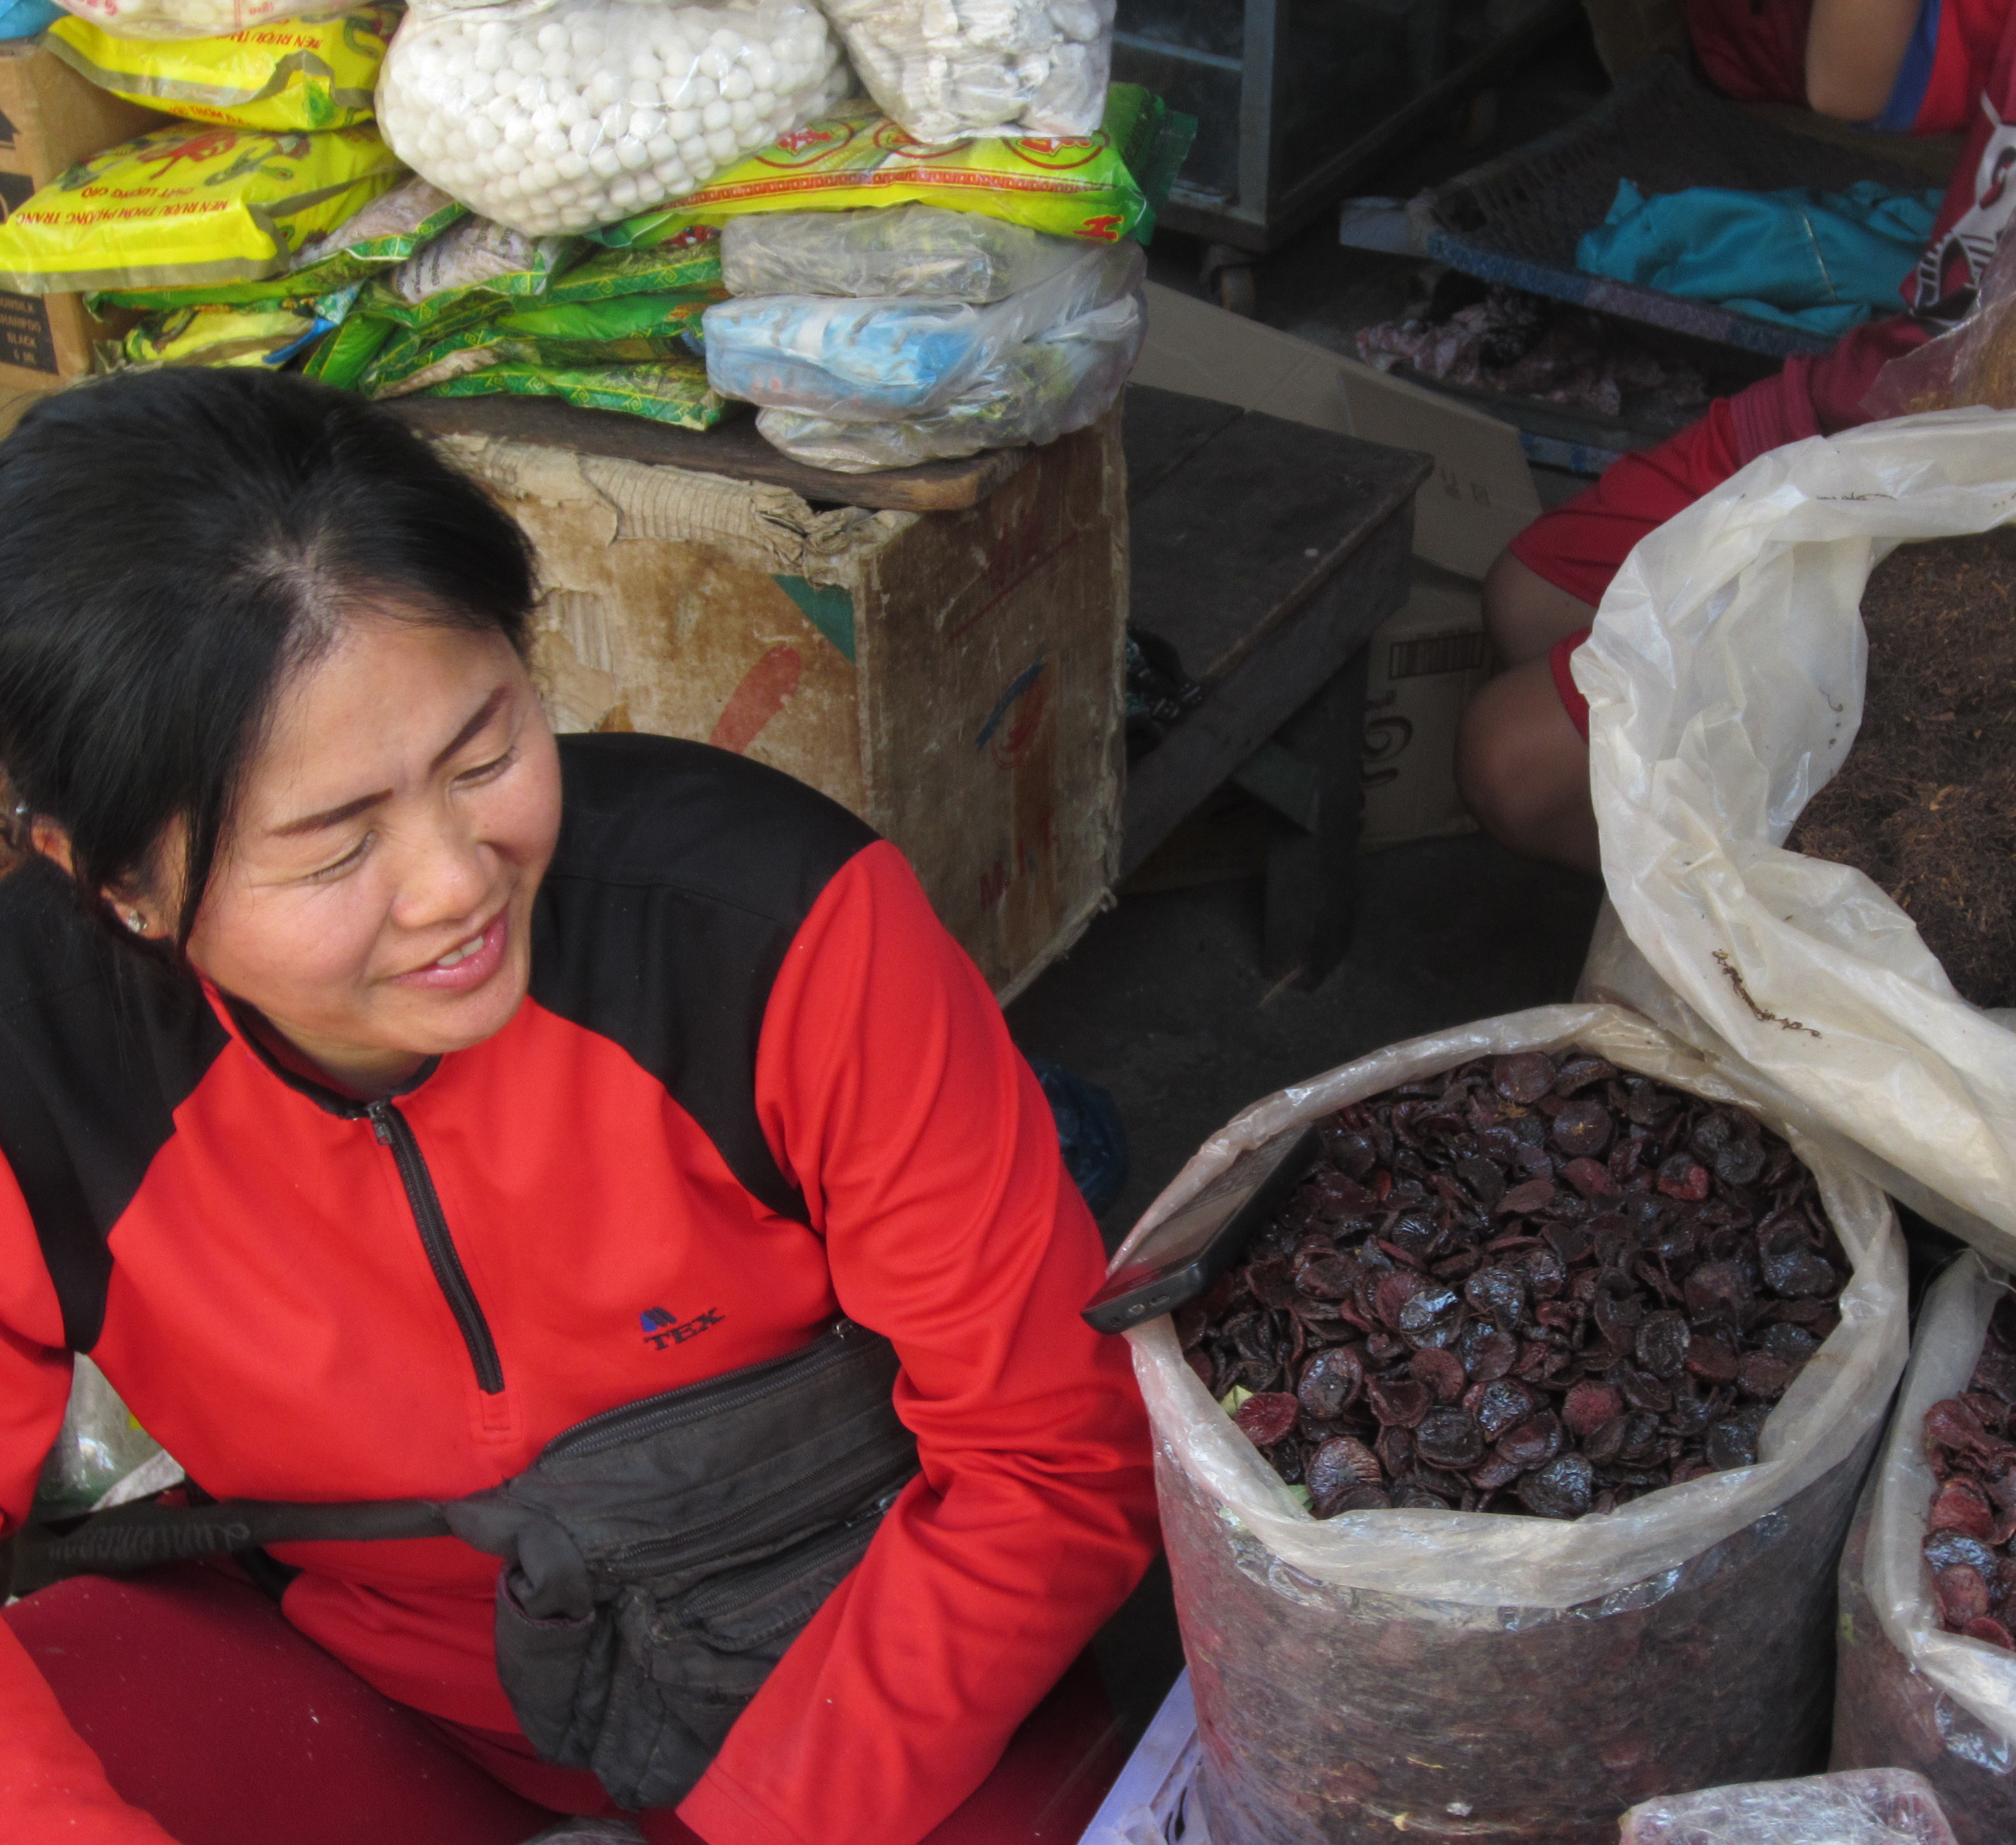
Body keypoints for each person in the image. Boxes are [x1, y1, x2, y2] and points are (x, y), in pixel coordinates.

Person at [0, 370, 1158, 1845]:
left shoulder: (771, 928)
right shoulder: (30, 1067)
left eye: (484, 751)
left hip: (846, 1690)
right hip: (384, 1692)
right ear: (112, 878)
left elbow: (1048, 1460)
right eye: (334, 846)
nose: (457, 884)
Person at [1459, 0, 2016, 869]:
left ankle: (1809, 890)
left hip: (1991, 502)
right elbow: (1844, 79)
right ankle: (1719, 859)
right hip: (1874, 400)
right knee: (1527, 595)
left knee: (1508, 763)